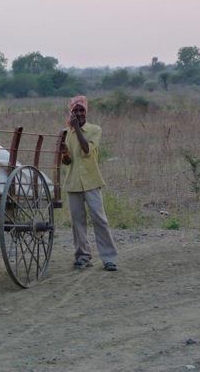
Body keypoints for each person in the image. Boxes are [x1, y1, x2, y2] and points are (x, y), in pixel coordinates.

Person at [60, 95, 118, 272]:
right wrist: (65, 154)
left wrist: (76, 128)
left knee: (99, 220)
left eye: (81, 110)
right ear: (71, 113)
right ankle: (82, 256)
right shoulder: (66, 133)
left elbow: (86, 150)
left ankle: (109, 258)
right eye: (75, 111)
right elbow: (67, 162)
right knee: (78, 222)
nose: (78, 113)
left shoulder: (94, 130)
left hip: (91, 181)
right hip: (73, 183)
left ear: (86, 111)